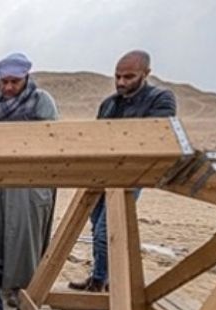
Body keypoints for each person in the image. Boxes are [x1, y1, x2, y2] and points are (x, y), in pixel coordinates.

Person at [69, 50, 177, 292]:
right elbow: (98, 138)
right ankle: (100, 277)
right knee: (96, 225)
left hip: (132, 174)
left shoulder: (161, 98)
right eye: (117, 76)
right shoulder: (109, 103)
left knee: (107, 231)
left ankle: (104, 283)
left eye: (128, 77)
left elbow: (155, 136)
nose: (121, 82)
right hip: (104, 172)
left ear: (146, 74)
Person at [0, 53, 59, 307]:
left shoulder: (41, 102)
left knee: (24, 234)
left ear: (26, 78)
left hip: (30, 182)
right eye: (5, 82)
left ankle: (20, 288)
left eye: (15, 81)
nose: (9, 87)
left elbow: (49, 139)